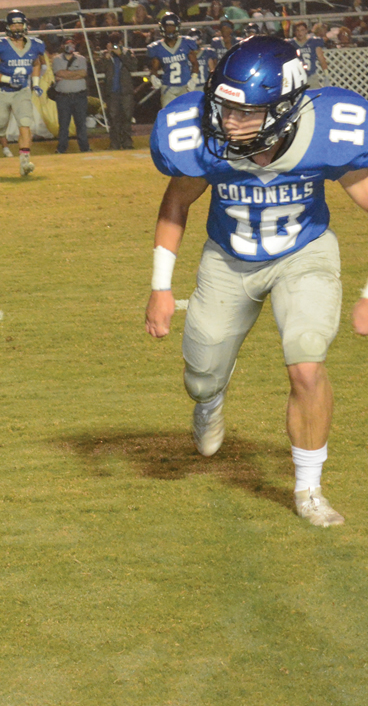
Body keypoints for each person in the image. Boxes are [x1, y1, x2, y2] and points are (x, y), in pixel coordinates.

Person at [145, 35, 368, 527]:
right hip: (228, 258)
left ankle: (308, 488)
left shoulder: (328, 129)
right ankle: (211, 400)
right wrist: (162, 286)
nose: (229, 122)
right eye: (224, 108)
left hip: (304, 253)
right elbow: (176, 201)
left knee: (306, 364)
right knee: (201, 374)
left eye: (246, 113)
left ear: (287, 107)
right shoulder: (201, 136)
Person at [0, 9, 45, 176]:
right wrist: (9, 80)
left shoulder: (34, 45)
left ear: (25, 25)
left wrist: (36, 83)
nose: (17, 27)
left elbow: (37, 63)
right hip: (1, 91)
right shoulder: (0, 46)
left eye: (20, 24)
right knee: (0, 126)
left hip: (22, 91)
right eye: (14, 24)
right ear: (8, 26)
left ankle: (24, 164)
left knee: (25, 124)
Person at [146, 12, 199, 109]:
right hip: (168, 87)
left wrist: (194, 78)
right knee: (168, 117)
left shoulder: (186, 43)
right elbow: (154, 67)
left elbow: (195, 63)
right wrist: (153, 77)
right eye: (167, 27)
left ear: (177, 27)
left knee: (187, 116)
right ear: (163, 28)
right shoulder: (157, 47)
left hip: (185, 85)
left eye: (172, 27)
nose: (170, 30)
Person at [51, 38, 90, 153]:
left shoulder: (81, 58)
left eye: (72, 44)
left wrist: (66, 75)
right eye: (67, 44)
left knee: (81, 124)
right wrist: (75, 74)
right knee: (63, 124)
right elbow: (59, 73)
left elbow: (83, 73)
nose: (70, 46)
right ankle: (62, 148)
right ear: (63, 46)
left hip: (79, 96)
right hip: (63, 97)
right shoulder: (57, 59)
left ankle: (84, 147)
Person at [97, 32, 135, 149]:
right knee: (113, 118)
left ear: (121, 42)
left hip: (125, 90)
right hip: (112, 91)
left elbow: (133, 67)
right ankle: (115, 143)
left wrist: (121, 55)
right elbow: (99, 68)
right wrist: (107, 57)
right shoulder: (105, 55)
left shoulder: (127, 52)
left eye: (116, 43)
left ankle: (127, 142)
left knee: (127, 117)